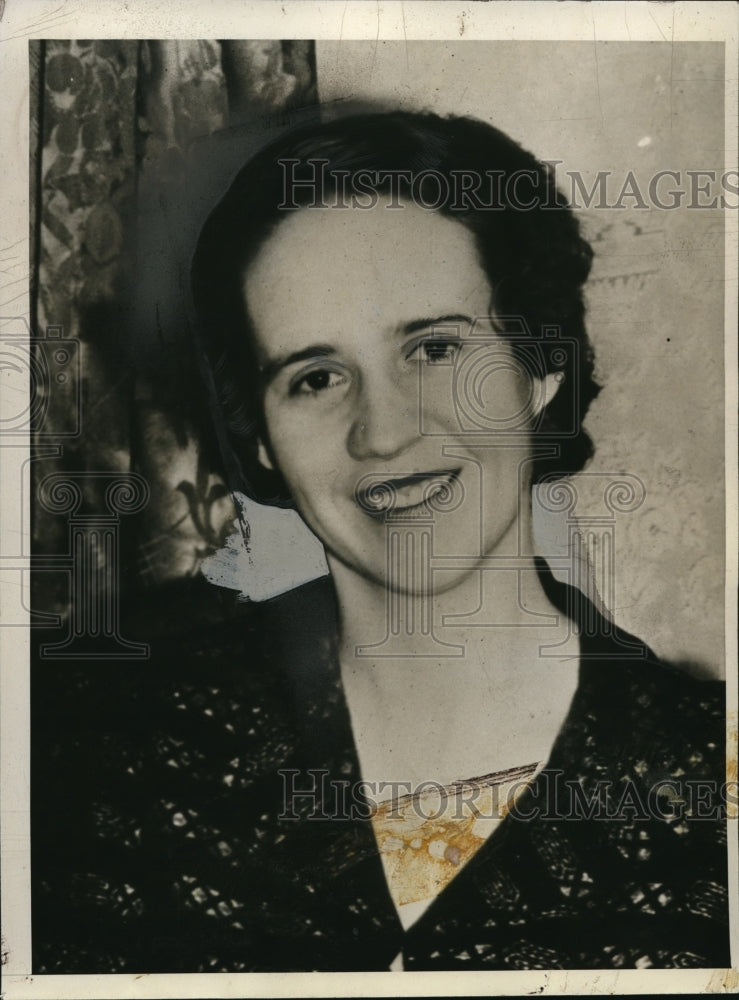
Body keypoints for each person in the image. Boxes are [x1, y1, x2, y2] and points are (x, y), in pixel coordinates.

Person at [32, 109, 729, 973]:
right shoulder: (86, 745)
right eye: (315, 377)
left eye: (434, 349)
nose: (382, 433)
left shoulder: (709, 781)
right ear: (258, 437)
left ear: (540, 369)